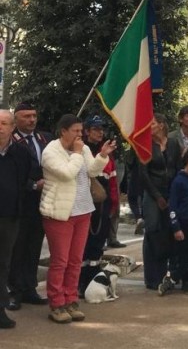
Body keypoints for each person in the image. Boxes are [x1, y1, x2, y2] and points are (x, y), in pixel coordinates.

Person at [40, 114, 116, 324]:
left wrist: (102, 155)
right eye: (75, 131)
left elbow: (92, 171)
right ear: (63, 131)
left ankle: (71, 299)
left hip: (83, 210)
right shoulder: (51, 151)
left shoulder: (82, 149)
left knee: (75, 260)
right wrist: (75, 153)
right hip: (61, 212)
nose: (79, 135)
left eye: (81, 131)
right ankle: (56, 303)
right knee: (60, 261)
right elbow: (67, 174)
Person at [7, 101, 52, 310]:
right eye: (26, 116)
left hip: (41, 202)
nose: (32, 120)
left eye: (34, 116)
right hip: (19, 201)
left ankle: (29, 288)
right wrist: (33, 185)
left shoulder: (45, 138)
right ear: (16, 119)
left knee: (34, 246)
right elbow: (10, 173)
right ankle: (14, 291)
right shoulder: (9, 141)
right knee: (17, 247)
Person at [139, 114, 182, 290]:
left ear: (162, 125)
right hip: (152, 193)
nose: (149, 127)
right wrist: (157, 197)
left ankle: (167, 274)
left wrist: (173, 194)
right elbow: (143, 174)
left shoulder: (173, 144)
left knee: (168, 231)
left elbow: (178, 168)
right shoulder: (145, 145)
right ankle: (151, 277)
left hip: (170, 191)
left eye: (152, 123)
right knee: (152, 230)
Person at [78, 115, 119, 297]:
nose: (100, 132)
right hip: (85, 203)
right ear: (87, 131)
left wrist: (114, 203)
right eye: (95, 129)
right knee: (83, 244)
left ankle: (93, 280)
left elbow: (113, 179)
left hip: (103, 203)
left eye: (101, 129)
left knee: (97, 244)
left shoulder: (107, 151)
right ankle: (80, 282)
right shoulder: (81, 150)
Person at [158, 150, 188, 296]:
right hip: (183, 224)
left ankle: (173, 278)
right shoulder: (178, 181)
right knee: (183, 254)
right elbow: (173, 206)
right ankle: (184, 282)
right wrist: (176, 227)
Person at [0, 109, 33, 329]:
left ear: (12, 128)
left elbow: (25, 180)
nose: (0, 127)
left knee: (3, 264)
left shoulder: (21, 153)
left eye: (4, 123)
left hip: (9, 217)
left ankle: (0, 310)